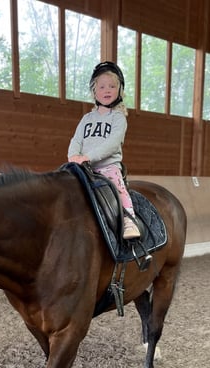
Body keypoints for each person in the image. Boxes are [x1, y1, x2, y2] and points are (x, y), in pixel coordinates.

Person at [67, 61, 140, 239]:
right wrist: (73, 156)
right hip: (84, 167)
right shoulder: (87, 118)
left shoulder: (118, 117)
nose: (107, 90)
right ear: (94, 91)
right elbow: (76, 139)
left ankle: (129, 219)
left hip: (107, 167)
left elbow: (113, 143)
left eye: (112, 86)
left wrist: (87, 156)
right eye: (102, 86)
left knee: (117, 184)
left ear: (119, 90)